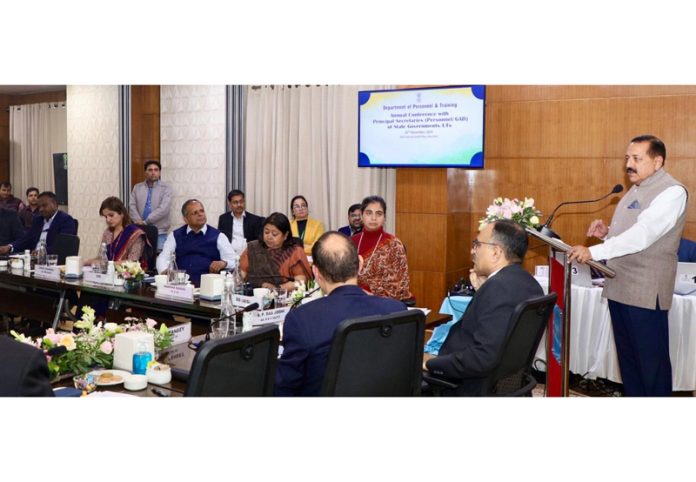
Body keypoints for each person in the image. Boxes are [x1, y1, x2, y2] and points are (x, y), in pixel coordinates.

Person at [569, 135, 687, 397]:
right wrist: (606, 233)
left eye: (636, 158)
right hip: (620, 287)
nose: (628, 165)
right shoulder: (637, 188)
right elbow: (630, 235)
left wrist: (594, 251)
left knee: (650, 366)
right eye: (627, 159)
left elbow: (644, 235)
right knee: (630, 365)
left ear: (658, 161)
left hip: (645, 292)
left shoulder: (672, 191)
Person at [274, 231, 407, 396]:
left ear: (316, 272)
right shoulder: (396, 311)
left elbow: (285, 384)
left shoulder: (302, 319)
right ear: (360, 263)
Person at [424, 219, 544, 396]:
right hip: (506, 383)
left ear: (496, 252)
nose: (473, 250)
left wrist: (430, 364)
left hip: (466, 386)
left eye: (478, 244)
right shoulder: (531, 285)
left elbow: (483, 357)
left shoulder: (498, 288)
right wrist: (483, 289)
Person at [156, 199, 235, 286]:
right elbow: (163, 257)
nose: (200, 214)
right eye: (195, 213)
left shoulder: (219, 236)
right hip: (181, 286)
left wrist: (223, 263)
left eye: (202, 211)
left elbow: (234, 261)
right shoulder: (175, 235)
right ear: (186, 219)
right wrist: (164, 272)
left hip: (207, 287)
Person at [352, 195, 412, 301]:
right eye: (368, 213)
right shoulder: (350, 242)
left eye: (378, 214)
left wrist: (368, 293)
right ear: (361, 216)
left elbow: (400, 286)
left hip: (383, 303)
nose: (373, 218)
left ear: (384, 218)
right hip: (352, 299)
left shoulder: (393, 244)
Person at [239, 212, 312, 291]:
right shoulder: (252, 248)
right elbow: (240, 276)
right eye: (266, 232)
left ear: (285, 235)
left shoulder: (295, 252)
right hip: (254, 295)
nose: (269, 237)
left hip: (285, 298)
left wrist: (277, 289)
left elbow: (300, 282)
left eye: (274, 234)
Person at [0, 191, 77, 255]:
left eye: (44, 205)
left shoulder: (66, 220)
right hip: (33, 260)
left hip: (52, 261)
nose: (41, 209)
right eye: (39, 206)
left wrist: (42, 252)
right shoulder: (38, 220)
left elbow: (63, 245)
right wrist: (10, 247)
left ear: (56, 205)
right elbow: (26, 239)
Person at [85, 197, 149, 267]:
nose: (108, 220)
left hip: (126, 275)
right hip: (107, 273)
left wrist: (108, 265)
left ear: (121, 213)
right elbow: (101, 257)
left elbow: (132, 262)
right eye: (106, 217)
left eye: (111, 215)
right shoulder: (108, 232)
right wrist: (86, 262)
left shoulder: (135, 234)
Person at [129, 160, 173, 250]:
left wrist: (146, 222)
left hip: (159, 232)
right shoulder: (137, 188)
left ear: (159, 172)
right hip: (140, 231)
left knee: (158, 260)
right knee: (139, 260)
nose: (153, 172)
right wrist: (138, 221)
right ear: (145, 172)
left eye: (156, 170)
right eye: (150, 170)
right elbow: (132, 206)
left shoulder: (166, 188)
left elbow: (163, 209)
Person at [217, 189, 265, 258]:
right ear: (229, 203)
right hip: (229, 256)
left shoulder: (255, 220)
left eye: (241, 201)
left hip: (248, 256)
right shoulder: (223, 219)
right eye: (235, 202)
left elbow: (257, 243)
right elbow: (221, 240)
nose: (239, 205)